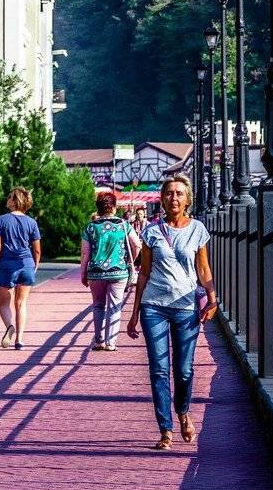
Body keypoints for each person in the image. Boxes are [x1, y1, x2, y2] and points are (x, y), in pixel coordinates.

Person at [126, 174, 219, 451]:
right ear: (162, 199)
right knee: (158, 370)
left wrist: (212, 299)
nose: (174, 198)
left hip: (186, 307)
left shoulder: (198, 229)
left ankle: (183, 412)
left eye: (179, 193)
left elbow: (203, 269)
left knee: (184, 370)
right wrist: (134, 313)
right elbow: (144, 273)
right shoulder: (151, 231)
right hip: (153, 307)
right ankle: (165, 430)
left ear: (187, 199)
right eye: (169, 193)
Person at [81, 191, 141, 352]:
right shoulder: (124, 225)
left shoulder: (90, 227)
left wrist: (83, 273)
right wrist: (130, 261)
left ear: (98, 208)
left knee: (98, 305)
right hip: (118, 272)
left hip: (95, 273)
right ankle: (111, 342)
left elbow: (85, 253)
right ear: (114, 207)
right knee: (115, 307)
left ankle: (98, 341)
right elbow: (137, 245)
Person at [0, 187, 41, 351]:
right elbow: (37, 250)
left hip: (6, 265)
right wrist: (35, 266)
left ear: (14, 201)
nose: (7, 199)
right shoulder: (32, 222)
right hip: (26, 265)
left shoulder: (1, 220)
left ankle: (9, 326)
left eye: (9, 197)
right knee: (21, 304)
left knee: (4, 305)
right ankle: (19, 340)